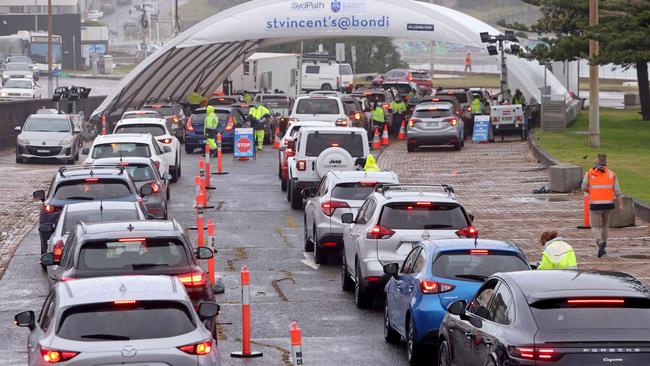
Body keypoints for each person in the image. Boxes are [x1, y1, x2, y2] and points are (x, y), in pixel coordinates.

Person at [581, 154, 623, 258]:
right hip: (608, 205)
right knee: (605, 226)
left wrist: (591, 191)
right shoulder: (612, 174)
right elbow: (617, 192)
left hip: (595, 205)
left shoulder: (590, 173)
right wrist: (620, 205)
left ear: (596, 163)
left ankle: (600, 243)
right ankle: (604, 250)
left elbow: (583, 187)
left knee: (595, 226)